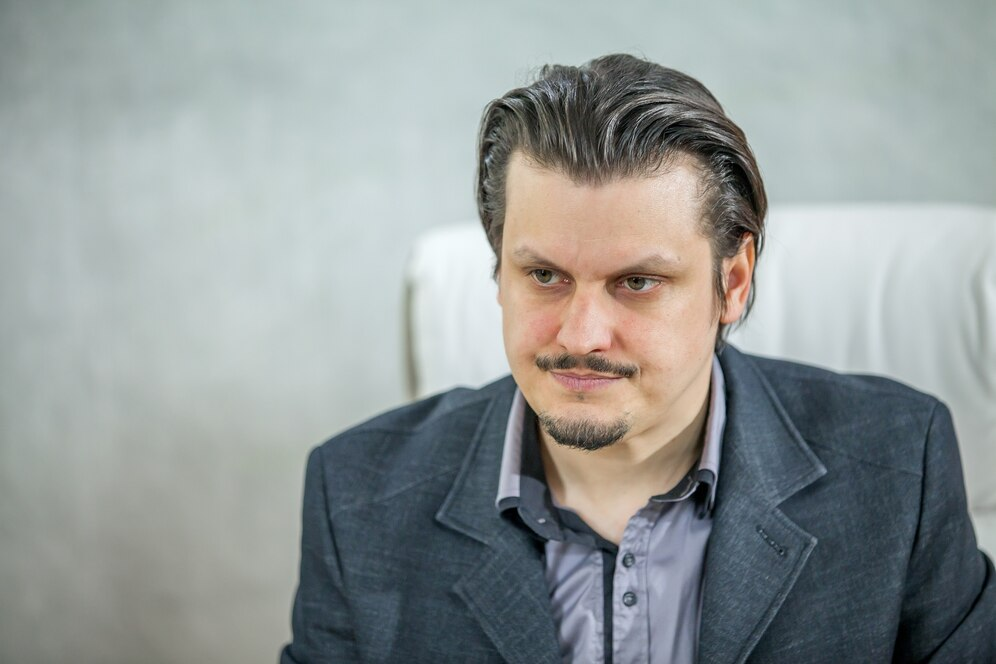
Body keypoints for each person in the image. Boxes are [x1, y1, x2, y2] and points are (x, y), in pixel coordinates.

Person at [281, 54, 995, 663]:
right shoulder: (357, 496)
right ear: (498, 272)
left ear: (732, 282)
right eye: (544, 275)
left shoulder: (898, 467)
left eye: (638, 282)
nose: (582, 335)